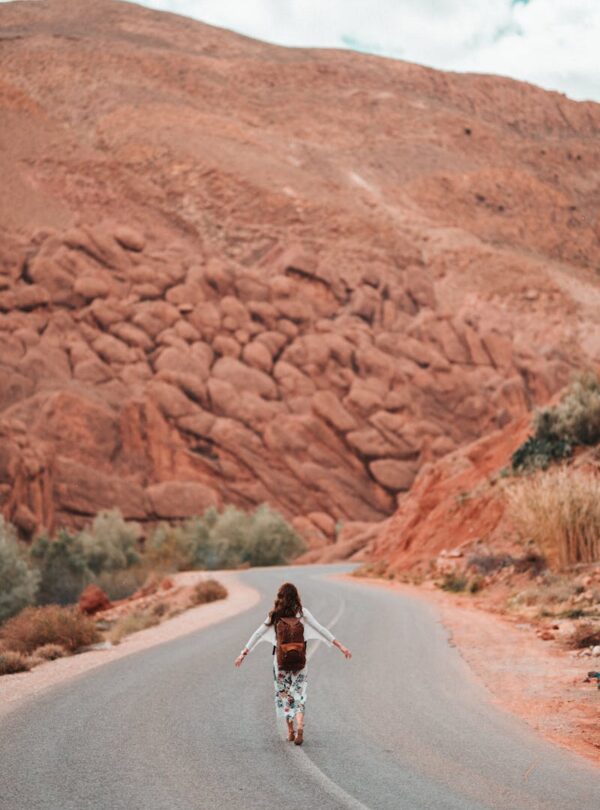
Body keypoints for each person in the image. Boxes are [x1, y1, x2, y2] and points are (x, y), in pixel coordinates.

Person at [234, 582, 352, 746]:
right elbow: (321, 629)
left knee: (285, 695)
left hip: (280, 663)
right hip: (300, 662)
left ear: (280, 597)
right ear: (296, 596)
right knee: (299, 694)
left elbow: (258, 633)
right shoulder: (302, 613)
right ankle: (300, 726)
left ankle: (291, 731)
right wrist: (341, 646)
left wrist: (243, 653)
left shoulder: (274, 615)